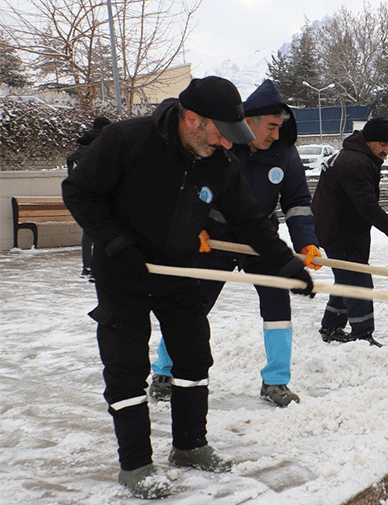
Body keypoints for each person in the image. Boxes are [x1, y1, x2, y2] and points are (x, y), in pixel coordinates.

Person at [61, 76, 315, 499]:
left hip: (179, 267)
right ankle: (136, 464)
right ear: (191, 118)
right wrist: (116, 243)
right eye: (221, 133)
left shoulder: (220, 161)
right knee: (126, 367)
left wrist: (286, 263)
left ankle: (190, 446)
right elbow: (80, 192)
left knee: (195, 355)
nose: (228, 145)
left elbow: (250, 220)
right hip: (124, 269)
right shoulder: (128, 140)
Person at [147, 79, 320, 408]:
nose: (276, 134)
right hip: (214, 238)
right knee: (192, 306)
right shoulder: (223, 144)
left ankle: (276, 381)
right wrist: (192, 227)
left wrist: (306, 243)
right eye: (271, 126)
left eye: (280, 127)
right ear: (250, 122)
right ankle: (165, 370)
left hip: (261, 239)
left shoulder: (285, 153)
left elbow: (297, 203)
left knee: (278, 307)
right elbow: (191, 188)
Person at [312, 118, 388, 346]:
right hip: (339, 229)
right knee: (358, 281)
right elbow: (367, 206)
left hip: (342, 225)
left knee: (346, 278)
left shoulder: (353, 155)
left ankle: (332, 327)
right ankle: (363, 335)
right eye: (382, 144)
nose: (387, 151)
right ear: (369, 141)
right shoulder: (355, 163)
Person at [66, 116, 111, 282]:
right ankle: (96, 268)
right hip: (101, 193)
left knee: (89, 231)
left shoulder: (83, 145)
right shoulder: (101, 144)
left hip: (86, 194)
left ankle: (88, 266)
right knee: (103, 230)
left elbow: (71, 165)